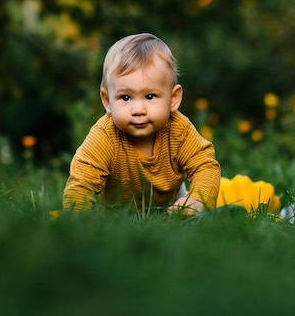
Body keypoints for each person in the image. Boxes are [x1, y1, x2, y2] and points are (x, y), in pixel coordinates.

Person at [62, 33, 221, 216]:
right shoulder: (105, 136)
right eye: (126, 97)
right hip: (117, 213)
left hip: (171, 204)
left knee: (188, 210)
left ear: (173, 99)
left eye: (150, 96)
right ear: (107, 101)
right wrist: (79, 218)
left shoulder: (179, 130)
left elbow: (205, 165)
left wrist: (197, 201)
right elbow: (81, 181)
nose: (138, 109)